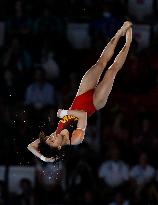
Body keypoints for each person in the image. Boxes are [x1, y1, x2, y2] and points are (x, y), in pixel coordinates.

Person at [27, 21, 133, 162]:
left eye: (50, 139)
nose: (51, 137)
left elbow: (30, 146)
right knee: (111, 71)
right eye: (52, 141)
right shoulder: (75, 139)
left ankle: (119, 32)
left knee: (101, 62)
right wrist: (65, 113)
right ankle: (128, 41)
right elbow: (82, 116)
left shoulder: (55, 134)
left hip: (81, 95)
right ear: (59, 147)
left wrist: (44, 158)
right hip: (95, 103)